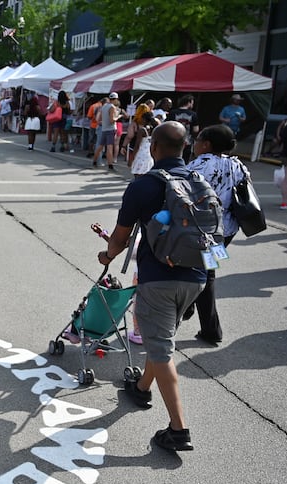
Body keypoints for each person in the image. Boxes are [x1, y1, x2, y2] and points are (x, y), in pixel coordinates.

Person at [97, 121, 204, 452]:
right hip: (198, 275)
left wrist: (108, 255)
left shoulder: (143, 186)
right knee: (161, 337)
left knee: (160, 347)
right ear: (185, 147)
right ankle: (141, 387)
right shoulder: (199, 181)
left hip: (158, 278)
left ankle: (178, 429)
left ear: (153, 147)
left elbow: (120, 235)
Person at [184, 124, 248, 345]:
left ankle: (211, 329)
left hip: (202, 230)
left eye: (198, 139)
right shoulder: (238, 165)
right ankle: (190, 307)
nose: (195, 143)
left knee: (204, 273)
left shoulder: (199, 165)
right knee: (207, 269)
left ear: (207, 144)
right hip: (227, 230)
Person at [92, 92, 123, 170]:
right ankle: (110, 165)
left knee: (100, 146)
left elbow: (99, 118)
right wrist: (118, 116)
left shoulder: (104, 106)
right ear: (115, 99)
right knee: (109, 147)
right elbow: (112, 120)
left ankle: (94, 161)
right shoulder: (112, 107)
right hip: (110, 129)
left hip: (104, 128)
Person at [167, 95, 200, 161]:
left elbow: (167, 126)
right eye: (192, 103)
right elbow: (195, 130)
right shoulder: (193, 114)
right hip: (187, 142)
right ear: (189, 102)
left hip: (172, 141)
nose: (192, 105)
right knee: (184, 161)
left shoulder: (173, 112)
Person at [130, 110, 158, 177]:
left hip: (141, 155)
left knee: (137, 174)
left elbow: (137, 145)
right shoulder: (154, 129)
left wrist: (132, 157)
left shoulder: (142, 130)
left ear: (144, 119)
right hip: (149, 155)